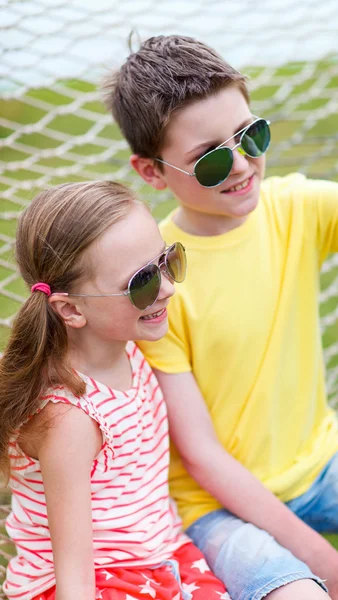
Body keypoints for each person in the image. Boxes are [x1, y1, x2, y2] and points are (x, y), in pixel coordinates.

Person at [103, 35, 338, 600]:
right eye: (211, 158)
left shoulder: (295, 207)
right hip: (216, 507)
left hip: (323, 464)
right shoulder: (157, 277)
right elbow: (202, 455)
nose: (242, 164)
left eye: (251, 136)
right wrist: (321, 557)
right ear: (152, 172)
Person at [0, 180, 230, 600]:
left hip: (159, 555)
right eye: (141, 281)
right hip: (100, 581)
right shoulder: (71, 420)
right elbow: (74, 575)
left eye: (167, 261)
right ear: (70, 309)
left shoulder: (132, 349)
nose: (168, 288)